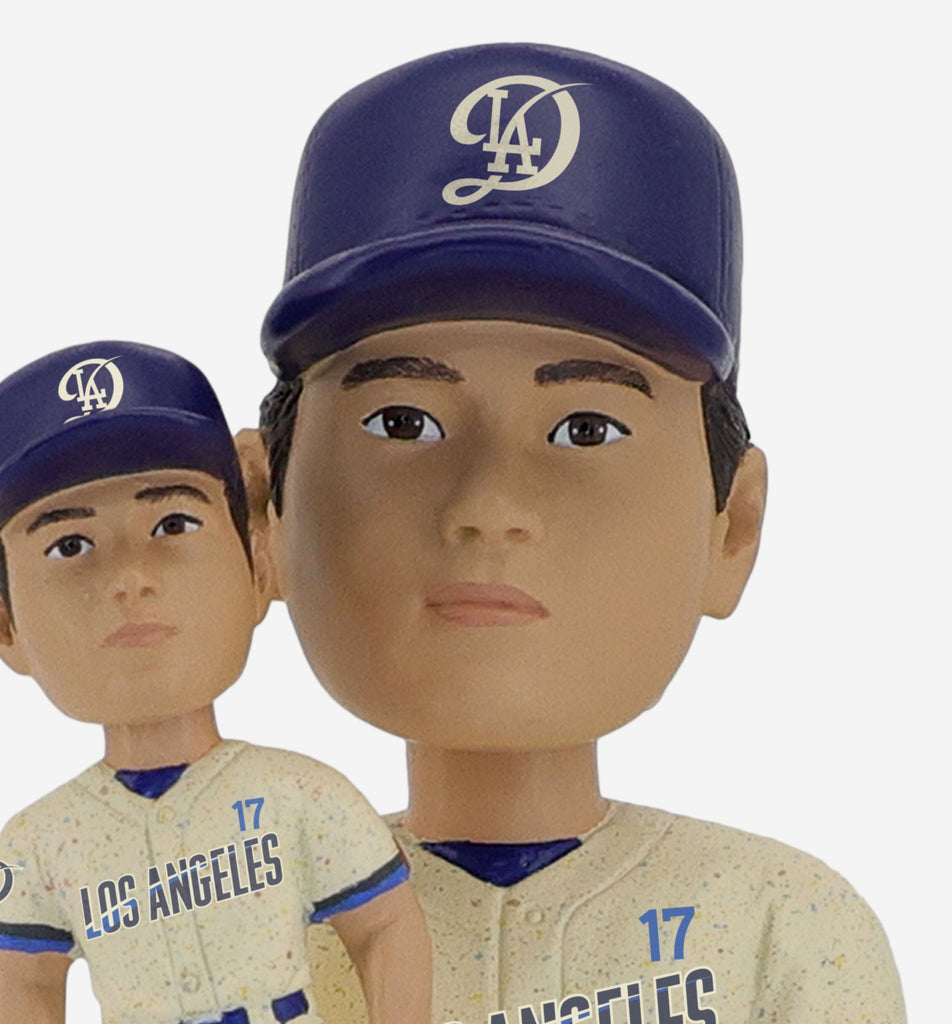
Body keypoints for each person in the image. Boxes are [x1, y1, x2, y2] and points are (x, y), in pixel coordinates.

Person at [250, 43, 905, 1024]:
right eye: (403, 423)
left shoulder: (778, 925)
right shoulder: (242, 938)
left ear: (733, 526)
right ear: (263, 508)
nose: (487, 504)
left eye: (586, 429)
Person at [0, 341, 431, 1024]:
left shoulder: (299, 794)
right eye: (69, 545)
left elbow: (385, 926)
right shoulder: (39, 843)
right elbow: (21, 980)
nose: (130, 578)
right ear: (7, 627)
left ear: (260, 566)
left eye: (173, 524)